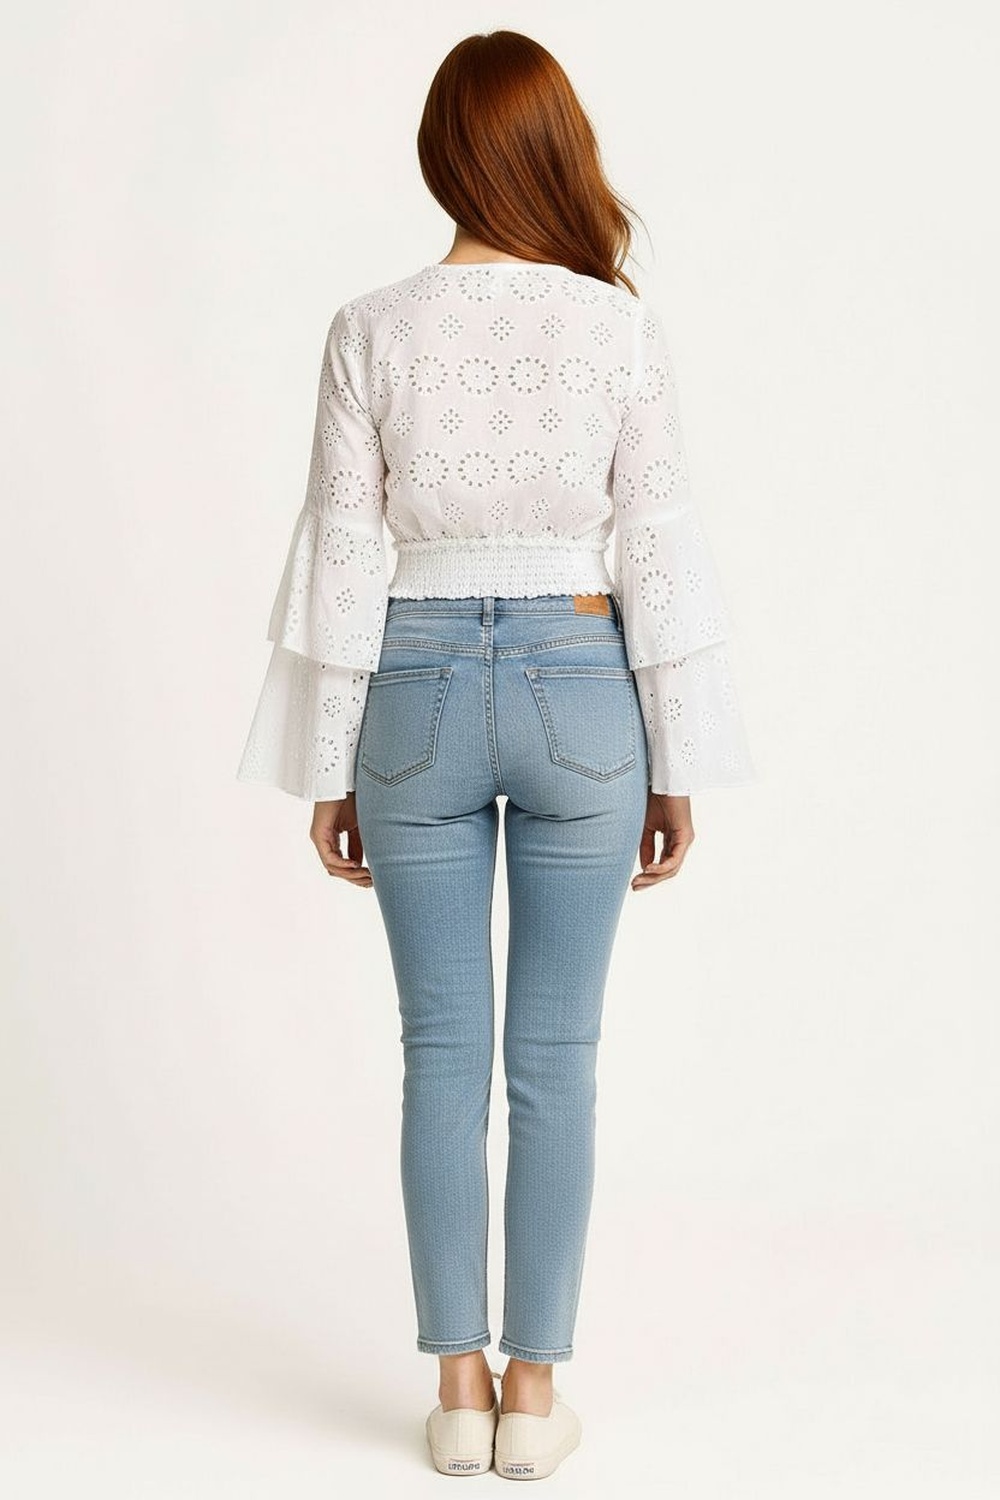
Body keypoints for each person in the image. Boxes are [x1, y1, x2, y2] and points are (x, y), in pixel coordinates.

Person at [237, 28, 756, 1482]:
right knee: (556, 1061)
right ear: (554, 152)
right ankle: (535, 1397)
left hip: (409, 688)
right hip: (584, 683)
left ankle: (454, 1390)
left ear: (440, 156)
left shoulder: (369, 326)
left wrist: (329, 767)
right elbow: (658, 549)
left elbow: (345, 553)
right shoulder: (618, 327)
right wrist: (676, 764)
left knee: (441, 1055)